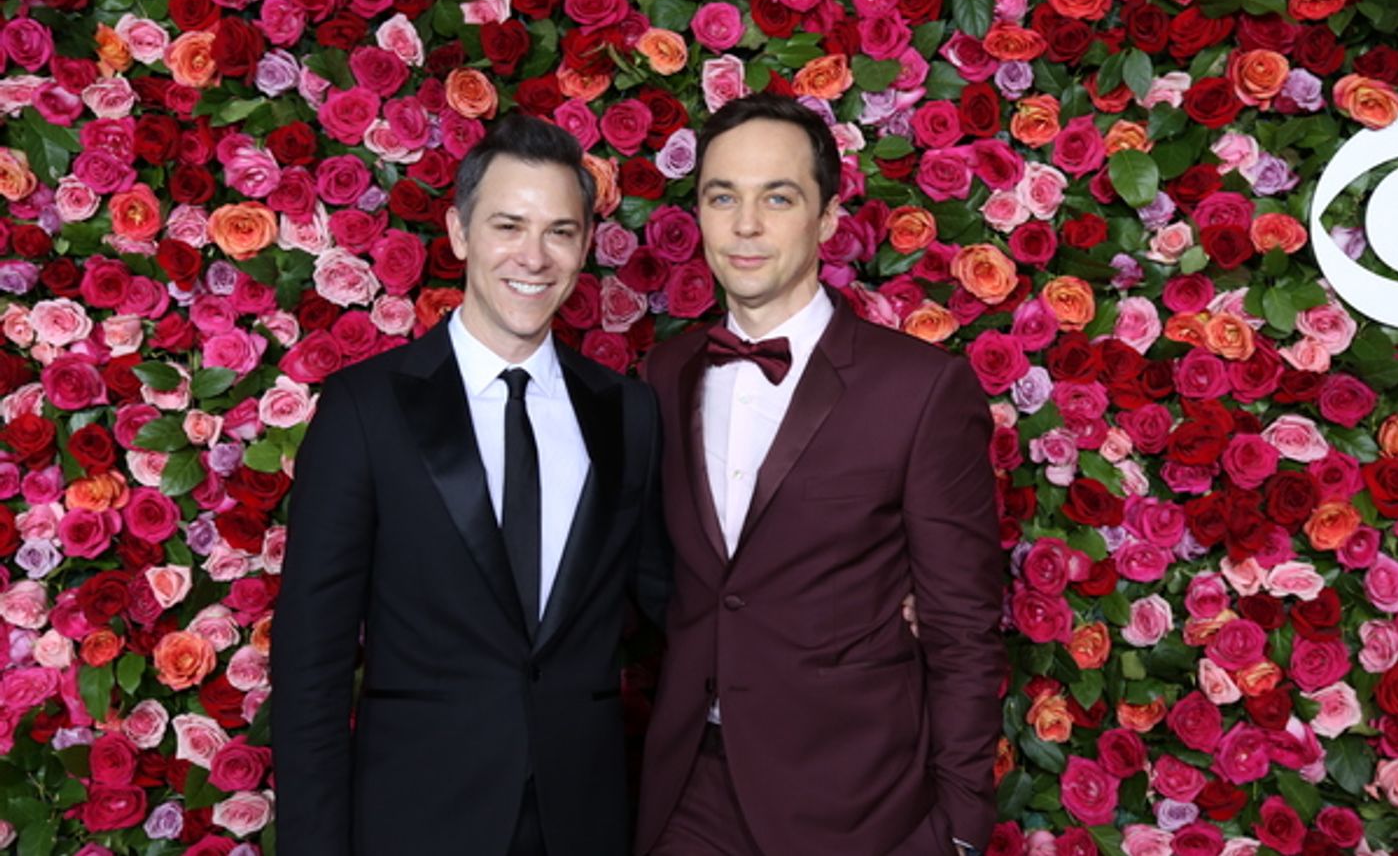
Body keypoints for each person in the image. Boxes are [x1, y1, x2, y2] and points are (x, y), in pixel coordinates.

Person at [271, 113, 669, 856]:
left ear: (584, 246)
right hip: (414, 822)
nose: (533, 255)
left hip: (582, 823)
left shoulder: (628, 411)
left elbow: (676, 599)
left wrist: (873, 600)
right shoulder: (367, 407)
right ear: (459, 232)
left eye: (559, 231)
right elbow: (310, 664)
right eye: (508, 224)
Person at [636, 93, 1005, 856]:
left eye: (778, 197)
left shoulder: (920, 388)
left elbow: (964, 627)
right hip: (690, 792)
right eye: (721, 196)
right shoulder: (663, 374)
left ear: (828, 218)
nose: (745, 225)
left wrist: (961, 831)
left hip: (857, 803)